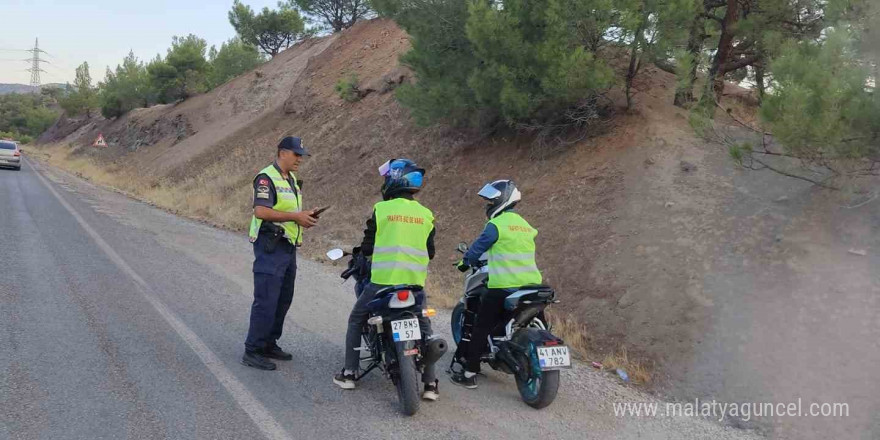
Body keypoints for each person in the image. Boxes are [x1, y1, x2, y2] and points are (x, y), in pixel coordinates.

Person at [333, 158, 440, 401]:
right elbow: (430, 252)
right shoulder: (426, 214)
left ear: (393, 180)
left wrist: (361, 252)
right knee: (425, 328)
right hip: (414, 284)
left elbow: (368, 247)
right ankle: (431, 384)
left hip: (382, 283)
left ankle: (349, 373)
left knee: (356, 319)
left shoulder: (382, 210)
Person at [450, 180, 542, 389]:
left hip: (504, 286)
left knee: (480, 328)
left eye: (491, 201)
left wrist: (464, 263)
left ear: (502, 201)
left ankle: (469, 373)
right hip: (531, 284)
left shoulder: (496, 225)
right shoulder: (525, 225)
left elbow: (476, 249)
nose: (488, 205)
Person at [242, 136, 318, 371]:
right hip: (270, 245)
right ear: (282, 152)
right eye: (296, 155)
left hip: (287, 246)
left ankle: (269, 343)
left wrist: (305, 215)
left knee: (283, 298)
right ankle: (252, 350)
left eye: (301, 155)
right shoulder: (266, 177)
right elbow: (261, 211)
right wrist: (297, 217)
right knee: (266, 299)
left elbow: (288, 210)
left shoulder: (291, 179)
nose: (299, 159)